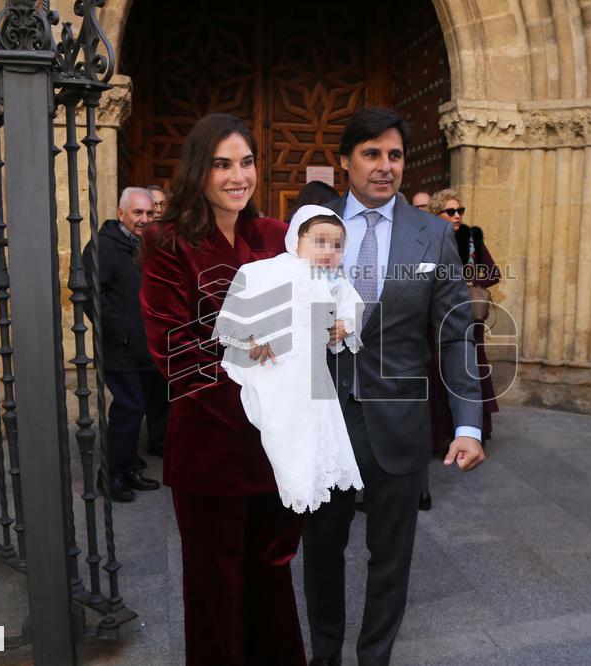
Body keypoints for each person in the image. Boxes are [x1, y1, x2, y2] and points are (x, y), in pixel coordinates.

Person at [303, 107, 485, 666]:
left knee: (391, 557)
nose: (386, 167)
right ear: (345, 161)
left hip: (399, 422)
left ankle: (374, 657)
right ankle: (325, 654)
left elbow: (455, 336)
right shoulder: (311, 224)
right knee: (321, 553)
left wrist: (468, 424)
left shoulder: (433, 235)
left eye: (395, 155)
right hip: (324, 419)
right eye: (372, 154)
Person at [139, 113, 307, 665]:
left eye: (247, 162)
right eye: (222, 164)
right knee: (215, 589)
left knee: (272, 574)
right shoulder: (169, 243)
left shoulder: (275, 236)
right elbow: (175, 352)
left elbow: (307, 318)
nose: (239, 176)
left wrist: (326, 326)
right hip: (212, 445)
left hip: (275, 447)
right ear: (199, 170)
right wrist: (260, 381)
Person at [213, 204, 364, 513]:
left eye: (337, 246)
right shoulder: (266, 269)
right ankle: (293, 486)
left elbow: (353, 306)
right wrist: (250, 337)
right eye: (319, 241)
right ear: (296, 239)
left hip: (310, 370)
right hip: (272, 367)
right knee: (280, 426)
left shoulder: (336, 280)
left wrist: (343, 327)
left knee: (314, 429)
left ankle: (310, 484)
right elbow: (238, 306)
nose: (328, 252)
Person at [82, 187, 163, 502]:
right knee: (128, 408)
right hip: (120, 347)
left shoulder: (144, 245)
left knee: (138, 407)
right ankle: (111, 474)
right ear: (121, 213)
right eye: (137, 213)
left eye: (148, 213)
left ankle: (129, 468)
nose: (144, 219)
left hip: (145, 347)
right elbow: (91, 294)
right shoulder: (104, 246)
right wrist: (121, 331)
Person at [428, 188, 502, 445]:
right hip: (436, 320)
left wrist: (467, 280)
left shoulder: (472, 240)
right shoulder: (428, 240)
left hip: (469, 320)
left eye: (460, 211)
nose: (457, 216)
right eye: (450, 211)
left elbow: (493, 273)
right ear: (437, 214)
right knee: (438, 374)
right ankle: (442, 433)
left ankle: (473, 430)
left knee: (469, 371)